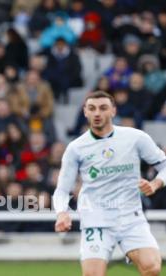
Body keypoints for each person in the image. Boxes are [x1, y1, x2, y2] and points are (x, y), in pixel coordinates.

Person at [53, 91, 165, 276]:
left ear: (113, 111)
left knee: (152, 268)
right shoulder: (76, 148)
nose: (97, 113)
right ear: (85, 112)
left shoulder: (135, 137)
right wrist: (61, 213)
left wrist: (156, 183)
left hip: (130, 217)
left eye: (103, 108)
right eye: (92, 108)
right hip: (96, 219)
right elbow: (62, 189)